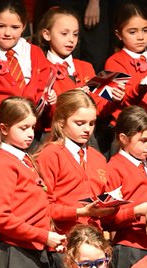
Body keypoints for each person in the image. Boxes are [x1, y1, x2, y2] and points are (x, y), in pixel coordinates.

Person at [0, 97, 65, 268]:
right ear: (3, 128)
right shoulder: (3, 164)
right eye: (23, 128)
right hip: (16, 256)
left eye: (32, 127)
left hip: (34, 254)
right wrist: (43, 236)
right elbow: (1, 217)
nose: (30, 133)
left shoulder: (25, 159)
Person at [0, 0, 53, 158]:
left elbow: (43, 90)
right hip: (1, 135)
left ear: (24, 26)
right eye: (1, 26)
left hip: (32, 134)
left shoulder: (34, 53)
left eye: (14, 27)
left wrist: (49, 99)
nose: (7, 33)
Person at [35, 90, 111, 239]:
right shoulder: (51, 154)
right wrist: (79, 212)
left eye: (92, 123)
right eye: (80, 123)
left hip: (94, 241)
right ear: (61, 122)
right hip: (64, 240)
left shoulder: (98, 158)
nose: (87, 129)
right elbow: (44, 207)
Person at [102, 5, 147, 144]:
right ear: (119, 34)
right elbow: (122, 100)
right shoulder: (115, 61)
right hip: (131, 136)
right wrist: (140, 88)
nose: (140, 37)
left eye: (145, 30)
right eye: (132, 32)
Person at [104, 106, 147, 268]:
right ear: (123, 138)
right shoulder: (114, 168)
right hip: (130, 248)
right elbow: (107, 219)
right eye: (143, 140)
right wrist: (136, 211)